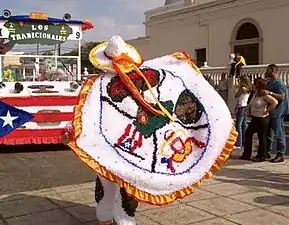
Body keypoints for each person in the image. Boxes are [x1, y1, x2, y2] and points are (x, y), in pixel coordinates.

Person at [65, 36, 237, 225]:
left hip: (114, 146)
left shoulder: (97, 86)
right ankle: (120, 219)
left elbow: (85, 115)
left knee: (109, 183)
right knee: (126, 186)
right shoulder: (142, 76)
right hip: (134, 146)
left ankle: (106, 218)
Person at [240, 77, 278, 161]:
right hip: (254, 118)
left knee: (262, 137)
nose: (253, 85)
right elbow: (250, 104)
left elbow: (275, 102)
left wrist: (268, 110)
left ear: (258, 85)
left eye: (255, 84)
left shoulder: (265, 95)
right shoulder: (254, 93)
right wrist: (245, 110)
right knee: (248, 134)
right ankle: (246, 154)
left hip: (262, 119)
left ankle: (262, 156)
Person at [265, 64, 289, 163]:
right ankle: (267, 152)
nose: (266, 72)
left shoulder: (279, 83)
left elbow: (281, 97)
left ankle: (280, 154)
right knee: (268, 133)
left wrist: (270, 93)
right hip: (271, 111)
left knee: (279, 133)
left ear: (274, 71)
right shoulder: (270, 82)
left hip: (278, 112)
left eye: (268, 70)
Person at [234, 75, 252, 149]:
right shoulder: (248, 89)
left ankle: (239, 143)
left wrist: (238, 89)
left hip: (241, 107)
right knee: (244, 125)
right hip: (245, 106)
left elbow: (236, 96)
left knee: (238, 125)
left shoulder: (242, 88)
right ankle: (244, 141)